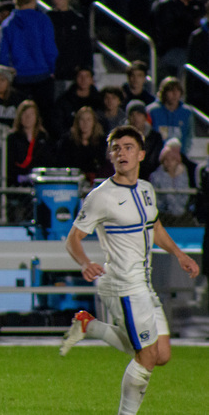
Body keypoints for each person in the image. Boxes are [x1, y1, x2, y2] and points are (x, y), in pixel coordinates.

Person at [60, 125, 200, 415]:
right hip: (121, 284)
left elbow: (155, 226)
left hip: (143, 285)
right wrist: (85, 263)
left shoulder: (147, 189)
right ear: (111, 156)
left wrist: (178, 254)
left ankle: (90, 326)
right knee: (146, 355)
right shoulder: (101, 196)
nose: (121, 153)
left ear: (141, 154)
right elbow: (73, 238)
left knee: (162, 355)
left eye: (128, 147)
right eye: (116, 148)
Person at [0, 0, 58, 128]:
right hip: (42, 77)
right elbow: (50, 49)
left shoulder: (8, 24)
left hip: (19, 80)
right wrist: (52, 69)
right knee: (45, 119)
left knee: (21, 120)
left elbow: (3, 56)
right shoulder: (43, 20)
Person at [146, 77, 193, 155]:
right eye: (170, 90)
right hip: (156, 158)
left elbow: (189, 137)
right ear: (163, 92)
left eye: (177, 90)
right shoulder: (152, 111)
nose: (174, 94)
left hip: (179, 157)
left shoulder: (187, 112)